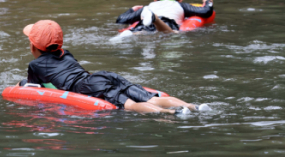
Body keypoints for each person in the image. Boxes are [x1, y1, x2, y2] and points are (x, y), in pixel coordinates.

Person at [19, 20, 211, 115]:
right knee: (150, 97)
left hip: (89, 87)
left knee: (130, 105)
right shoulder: (65, 53)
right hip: (102, 76)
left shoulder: (34, 65)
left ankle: (172, 114)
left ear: (33, 46)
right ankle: (191, 106)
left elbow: (34, 90)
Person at [116, 0, 214, 33]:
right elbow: (206, 11)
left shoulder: (149, 6)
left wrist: (132, 9)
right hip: (166, 22)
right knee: (172, 34)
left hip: (143, 23)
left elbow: (121, 19)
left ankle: (126, 34)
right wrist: (208, 2)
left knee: (139, 33)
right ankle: (155, 19)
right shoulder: (180, 5)